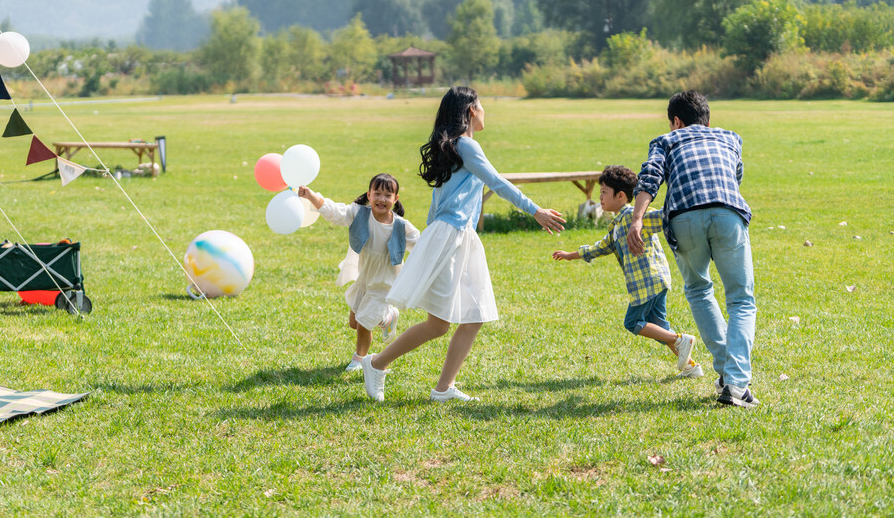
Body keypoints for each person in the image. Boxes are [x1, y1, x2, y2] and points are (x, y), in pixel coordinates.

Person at [360, 86, 566, 403]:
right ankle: (376, 363)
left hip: (461, 236)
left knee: (474, 315)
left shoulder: (454, 148)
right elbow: (497, 182)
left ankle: (443, 388)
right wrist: (534, 210)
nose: (485, 112)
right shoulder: (466, 145)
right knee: (439, 324)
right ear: (471, 110)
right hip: (452, 236)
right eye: (482, 106)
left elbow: (437, 205)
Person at [627, 90, 758, 408]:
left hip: (684, 216)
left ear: (675, 121)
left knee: (699, 291)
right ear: (708, 119)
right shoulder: (731, 138)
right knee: (740, 299)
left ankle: (729, 378)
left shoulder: (665, 141)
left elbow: (650, 177)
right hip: (728, 213)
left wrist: (637, 220)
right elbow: (734, 177)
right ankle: (736, 383)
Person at [552, 165, 703, 378]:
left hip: (647, 281)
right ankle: (691, 367)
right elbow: (599, 248)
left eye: (604, 192)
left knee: (632, 322)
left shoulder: (634, 217)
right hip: (655, 280)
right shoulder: (616, 226)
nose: (600, 197)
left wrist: (685, 207)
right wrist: (570, 254)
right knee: (660, 327)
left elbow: (661, 218)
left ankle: (681, 339)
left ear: (621, 196)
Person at [298, 174, 420, 372]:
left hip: (385, 282)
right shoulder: (358, 213)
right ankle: (387, 318)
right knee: (354, 322)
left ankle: (359, 359)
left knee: (363, 323)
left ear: (395, 199)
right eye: (377, 193)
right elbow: (335, 212)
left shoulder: (401, 226)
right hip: (365, 276)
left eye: (387, 195)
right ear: (369, 195)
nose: (382, 199)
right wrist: (312, 196)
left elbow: (421, 244)